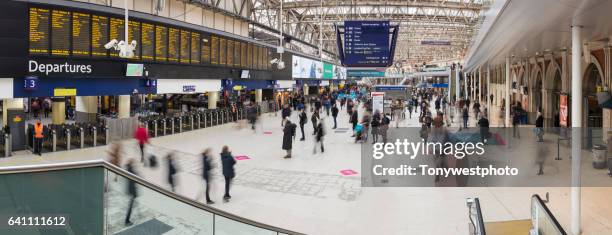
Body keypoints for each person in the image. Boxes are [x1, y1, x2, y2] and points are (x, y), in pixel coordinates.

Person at [124, 159, 138, 226]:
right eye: (133, 163)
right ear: (131, 164)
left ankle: (127, 220)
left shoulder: (128, 169)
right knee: (130, 207)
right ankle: (127, 221)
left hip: (131, 190)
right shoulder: (131, 171)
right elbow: (135, 179)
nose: (134, 164)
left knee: (132, 204)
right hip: (132, 191)